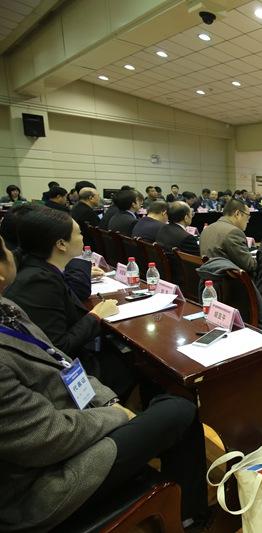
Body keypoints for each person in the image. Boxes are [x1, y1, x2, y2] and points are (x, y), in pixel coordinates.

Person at [0, 237, 209, 533]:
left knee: (157, 394)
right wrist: (115, 415)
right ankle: (191, 520)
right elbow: (46, 438)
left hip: (71, 419)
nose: (14, 252)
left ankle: (179, 505)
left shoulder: (6, 308)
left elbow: (59, 361)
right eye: (5, 249)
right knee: (180, 409)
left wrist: (108, 402)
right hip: (42, 485)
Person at [3, 208, 136, 395]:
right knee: (132, 364)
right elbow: (59, 347)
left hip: (64, 361)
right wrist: (96, 315)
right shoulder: (39, 281)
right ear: (61, 244)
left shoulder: (41, 268)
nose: (83, 238)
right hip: (64, 374)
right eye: (79, 233)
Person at [199, 199, 256, 273]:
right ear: (237, 214)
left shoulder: (207, 229)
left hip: (210, 275)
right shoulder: (233, 232)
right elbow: (250, 265)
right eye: (248, 216)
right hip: (229, 278)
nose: (248, 221)